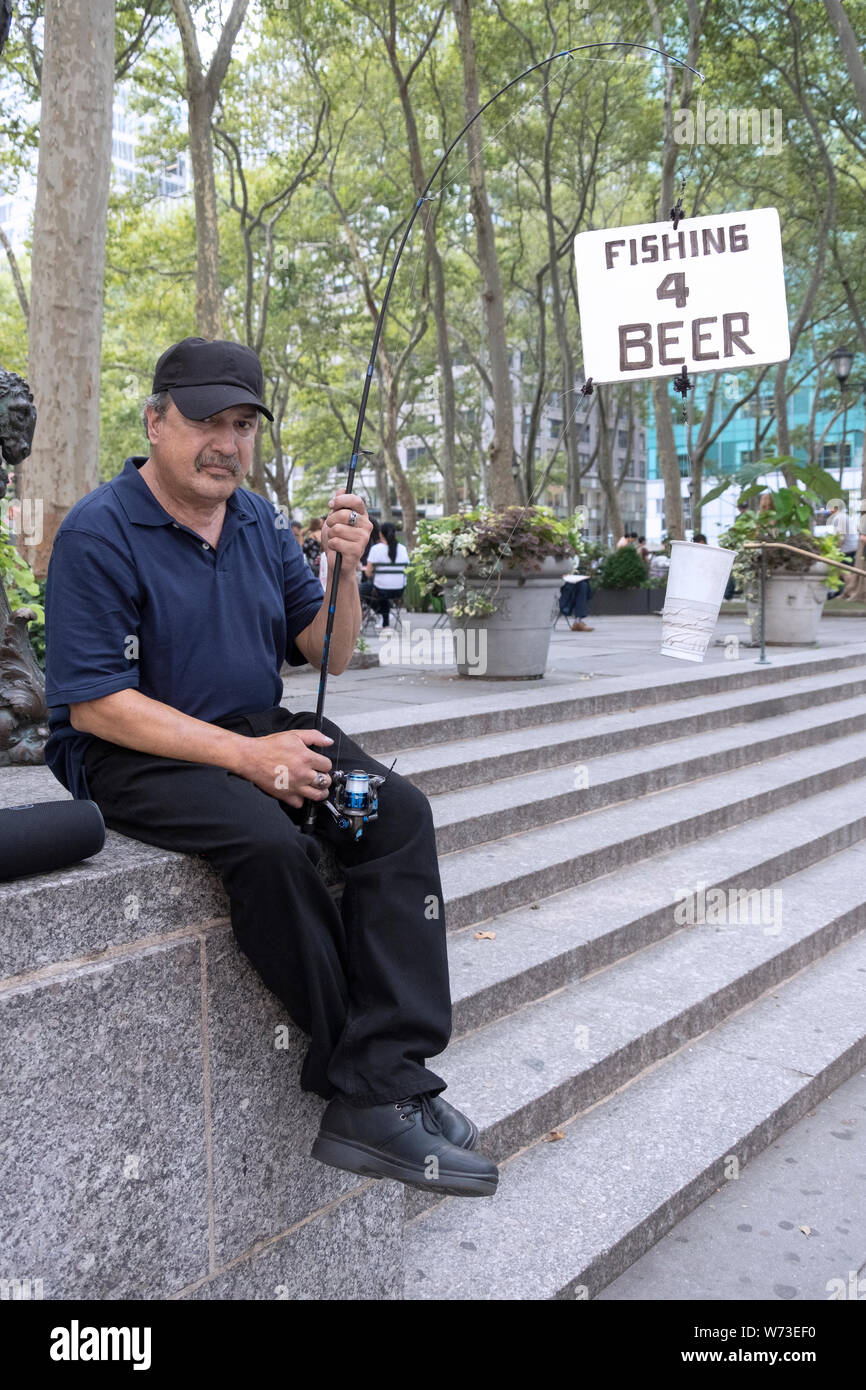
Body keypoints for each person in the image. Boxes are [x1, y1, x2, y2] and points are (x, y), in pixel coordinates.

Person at [41, 336, 497, 1200]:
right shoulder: (98, 531)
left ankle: (392, 1070)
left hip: (258, 725)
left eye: (243, 424)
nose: (227, 442)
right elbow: (98, 703)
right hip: (134, 753)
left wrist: (347, 571)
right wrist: (250, 761)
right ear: (155, 422)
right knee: (271, 849)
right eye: (206, 420)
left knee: (392, 814)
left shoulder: (253, 519)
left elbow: (326, 647)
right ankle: (371, 1094)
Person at [364, 521, 409, 628]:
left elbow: (368, 573)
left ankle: (383, 614)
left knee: (361, 589)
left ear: (381, 534)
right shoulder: (402, 549)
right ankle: (385, 617)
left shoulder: (376, 549)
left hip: (381, 590)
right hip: (399, 590)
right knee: (379, 590)